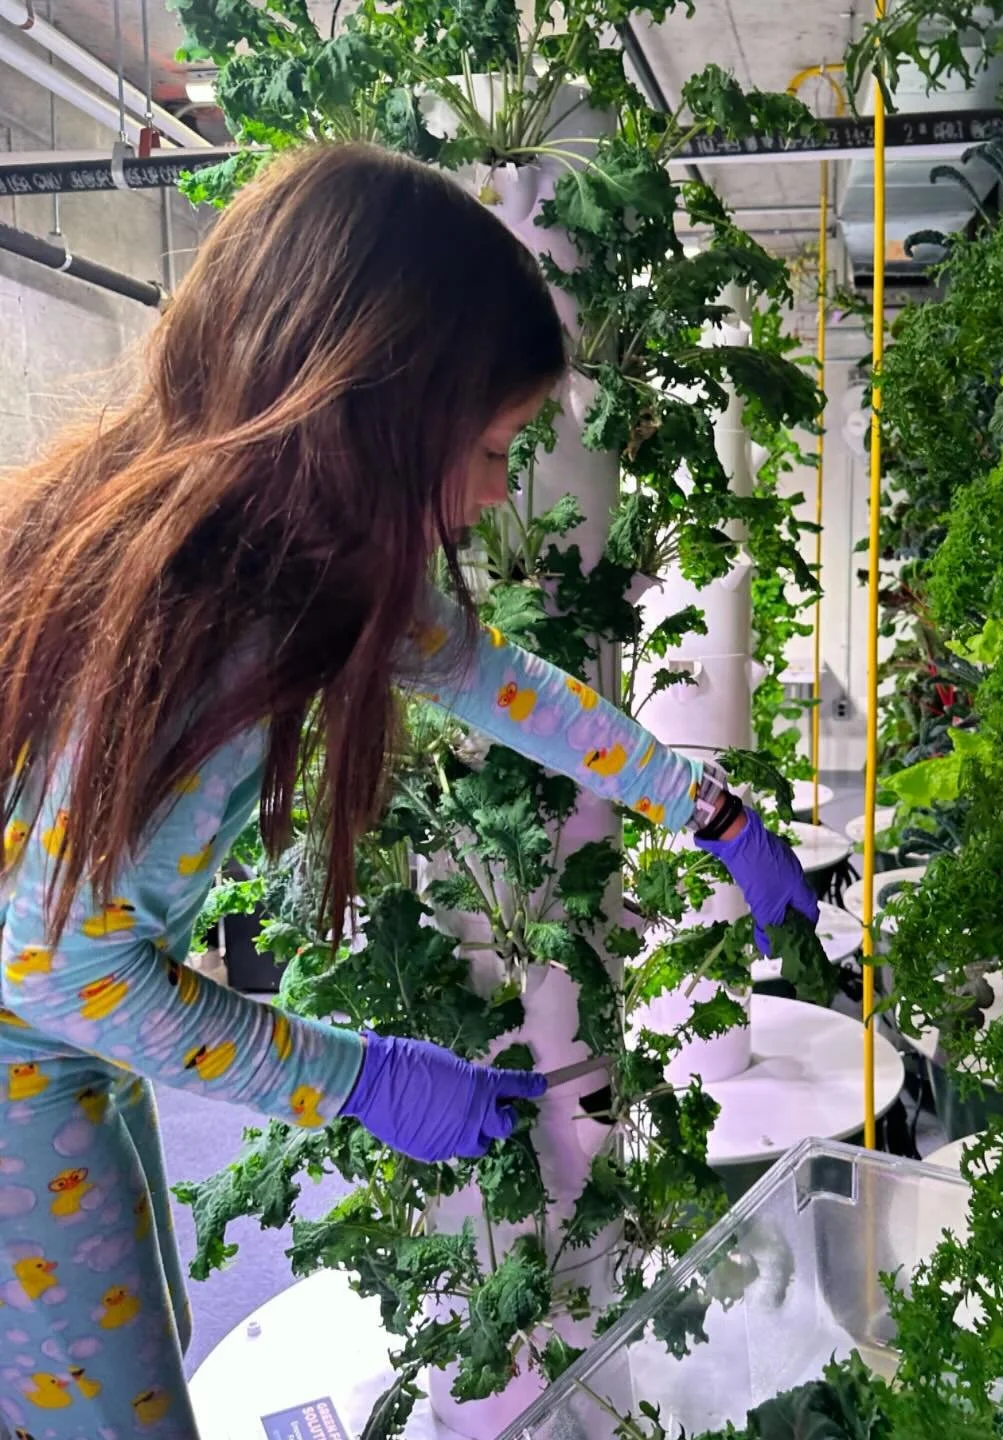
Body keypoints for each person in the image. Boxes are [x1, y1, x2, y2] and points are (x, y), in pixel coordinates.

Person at [0, 143, 817, 1440]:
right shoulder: (196, 624)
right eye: (489, 445)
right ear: (370, 414)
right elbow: (57, 976)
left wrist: (707, 812)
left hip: (53, 1054)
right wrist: (352, 1077)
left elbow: (508, 686)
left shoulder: (297, 564)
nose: (499, 488)